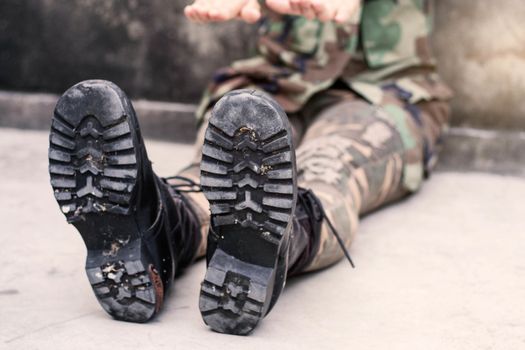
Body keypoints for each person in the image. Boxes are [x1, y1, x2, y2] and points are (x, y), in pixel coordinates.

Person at [48, 0, 452, 336]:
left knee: (331, 166)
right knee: (229, 155)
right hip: (275, 82)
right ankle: (164, 224)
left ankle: (281, 238)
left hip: (384, 94)